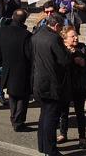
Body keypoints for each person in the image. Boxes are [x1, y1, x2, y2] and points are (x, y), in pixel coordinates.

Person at [31, 14, 70, 156]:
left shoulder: (36, 34)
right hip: (52, 82)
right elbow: (64, 60)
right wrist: (69, 52)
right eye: (60, 28)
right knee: (51, 118)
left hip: (39, 80)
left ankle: (42, 146)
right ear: (57, 26)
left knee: (44, 115)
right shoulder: (54, 39)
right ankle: (50, 149)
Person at [58, 26, 86, 150]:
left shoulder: (83, 48)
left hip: (80, 85)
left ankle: (82, 137)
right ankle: (63, 134)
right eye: (72, 36)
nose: (75, 38)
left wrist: (84, 63)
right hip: (65, 86)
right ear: (64, 39)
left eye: (76, 35)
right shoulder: (60, 49)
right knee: (64, 112)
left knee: (80, 112)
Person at [0, 9, 32, 131]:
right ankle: (18, 121)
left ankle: (14, 117)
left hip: (8, 68)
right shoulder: (26, 34)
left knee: (12, 95)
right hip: (22, 69)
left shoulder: (3, 31)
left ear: (12, 16)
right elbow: (29, 54)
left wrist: (1, 62)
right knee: (22, 96)